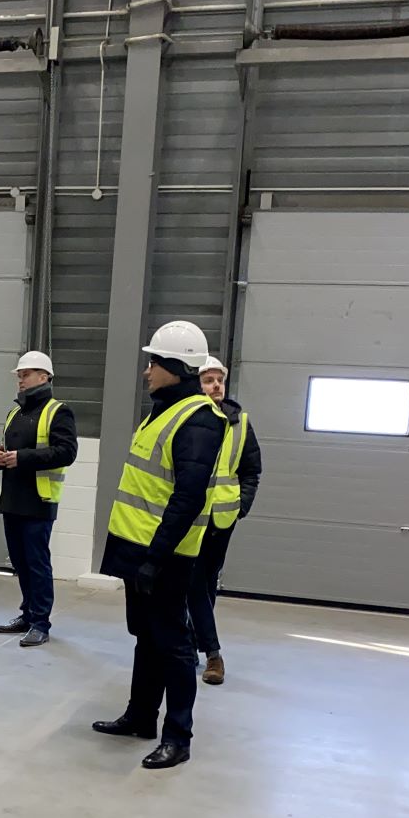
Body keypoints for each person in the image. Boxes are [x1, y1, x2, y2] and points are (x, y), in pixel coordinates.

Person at [91, 319, 228, 770]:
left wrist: (156, 556)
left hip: (165, 556)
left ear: (175, 366)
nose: (147, 371)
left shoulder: (201, 420)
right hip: (138, 550)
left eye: (153, 363)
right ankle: (140, 717)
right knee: (145, 638)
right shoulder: (164, 411)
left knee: (173, 646)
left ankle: (178, 736)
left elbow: (188, 497)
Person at [0, 351, 78, 647]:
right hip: (12, 498)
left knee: (37, 562)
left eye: (25, 374)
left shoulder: (58, 411)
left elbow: (67, 452)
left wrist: (22, 458)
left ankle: (41, 622)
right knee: (20, 561)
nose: (21, 379)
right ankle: (27, 614)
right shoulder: (15, 412)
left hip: (39, 500)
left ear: (44, 377)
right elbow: (7, 449)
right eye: (19, 375)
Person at [190, 355, 262, 687]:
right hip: (188, 519)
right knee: (194, 585)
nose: (216, 385)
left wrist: (240, 506)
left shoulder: (240, 423)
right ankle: (213, 654)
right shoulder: (186, 420)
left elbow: (251, 471)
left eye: (219, 380)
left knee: (204, 585)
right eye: (208, 380)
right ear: (196, 385)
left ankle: (195, 644)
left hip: (221, 519)